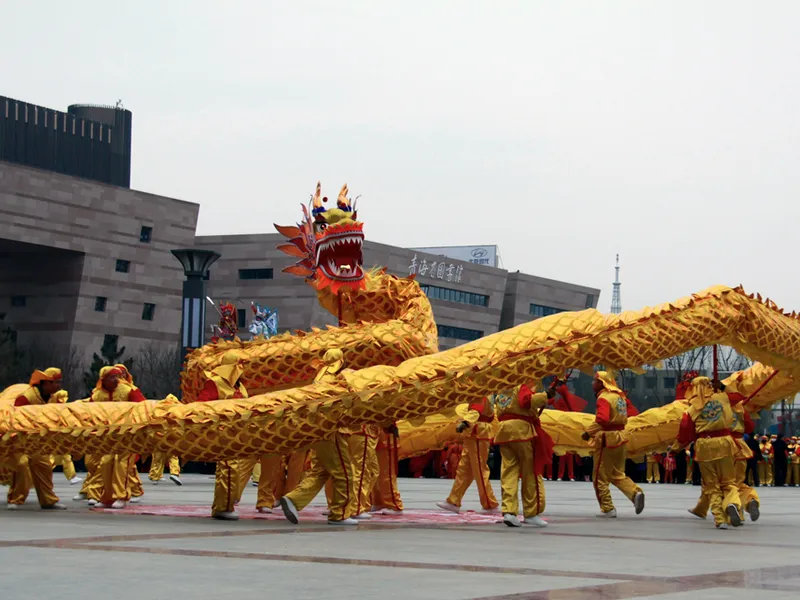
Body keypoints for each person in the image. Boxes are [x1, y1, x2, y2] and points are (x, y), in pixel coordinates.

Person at [280, 349, 358, 526]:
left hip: (319, 432)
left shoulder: (320, 377)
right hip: (333, 432)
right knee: (344, 473)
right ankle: (340, 513)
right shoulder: (337, 378)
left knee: (321, 472)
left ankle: (294, 499)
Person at [675, 377, 741, 529]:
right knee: (729, 482)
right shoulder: (722, 398)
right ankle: (731, 503)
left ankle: (720, 518)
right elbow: (738, 397)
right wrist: (723, 387)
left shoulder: (691, 408)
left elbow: (686, 433)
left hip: (704, 446)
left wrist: (675, 448)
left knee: (712, 485)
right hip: (724, 442)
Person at [688, 382, 759, 523]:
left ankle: (725, 512)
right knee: (736, 483)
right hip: (740, 448)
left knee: (714, 483)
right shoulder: (740, 408)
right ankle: (749, 501)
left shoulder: (705, 405)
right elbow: (750, 427)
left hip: (723, 445)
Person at [582, 371, 644, 518]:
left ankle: (608, 508)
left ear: (601, 383)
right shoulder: (619, 397)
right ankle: (635, 493)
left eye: (595, 381)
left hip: (606, 440)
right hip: (620, 437)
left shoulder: (603, 398)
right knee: (618, 474)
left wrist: (588, 432)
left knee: (599, 476)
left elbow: (602, 419)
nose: (593, 383)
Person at [196, 351, 249, 521]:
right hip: (222, 433)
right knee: (228, 468)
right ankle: (222, 507)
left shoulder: (240, 386)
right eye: (239, 365)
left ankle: (228, 504)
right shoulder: (215, 383)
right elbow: (201, 406)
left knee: (236, 469)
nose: (242, 369)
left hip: (239, 434)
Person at [494, 382, 555, 527]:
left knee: (509, 472)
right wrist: (546, 395)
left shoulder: (502, 388)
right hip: (522, 430)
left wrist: (545, 396)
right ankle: (531, 512)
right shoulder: (521, 385)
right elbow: (526, 401)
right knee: (530, 472)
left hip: (504, 430)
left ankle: (509, 511)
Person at [7, 368, 68, 510]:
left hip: (39, 440)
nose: (58, 386)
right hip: (21, 438)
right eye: (55, 382)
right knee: (21, 464)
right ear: (45, 383)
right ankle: (15, 499)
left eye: (59, 382)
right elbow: (15, 420)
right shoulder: (26, 397)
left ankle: (48, 500)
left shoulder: (54, 398)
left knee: (44, 465)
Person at [89, 366, 146, 509]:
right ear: (104, 379)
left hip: (127, 434)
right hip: (107, 436)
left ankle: (122, 496)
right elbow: (89, 414)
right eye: (112, 377)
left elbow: (143, 407)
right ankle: (106, 497)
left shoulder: (129, 391)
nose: (116, 380)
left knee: (122, 464)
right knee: (106, 463)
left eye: (118, 377)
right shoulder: (96, 396)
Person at [436, 398, 500, 514]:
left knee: (480, 471)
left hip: (477, 433)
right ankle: (454, 501)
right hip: (474, 433)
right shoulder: (484, 394)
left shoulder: (481, 394)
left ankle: (490, 504)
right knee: (464, 469)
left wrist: (466, 422)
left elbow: (476, 411)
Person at [371, 426, 404, 515]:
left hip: (387, 437)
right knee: (375, 473)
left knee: (387, 474)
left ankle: (394, 505)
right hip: (375, 435)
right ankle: (379, 501)